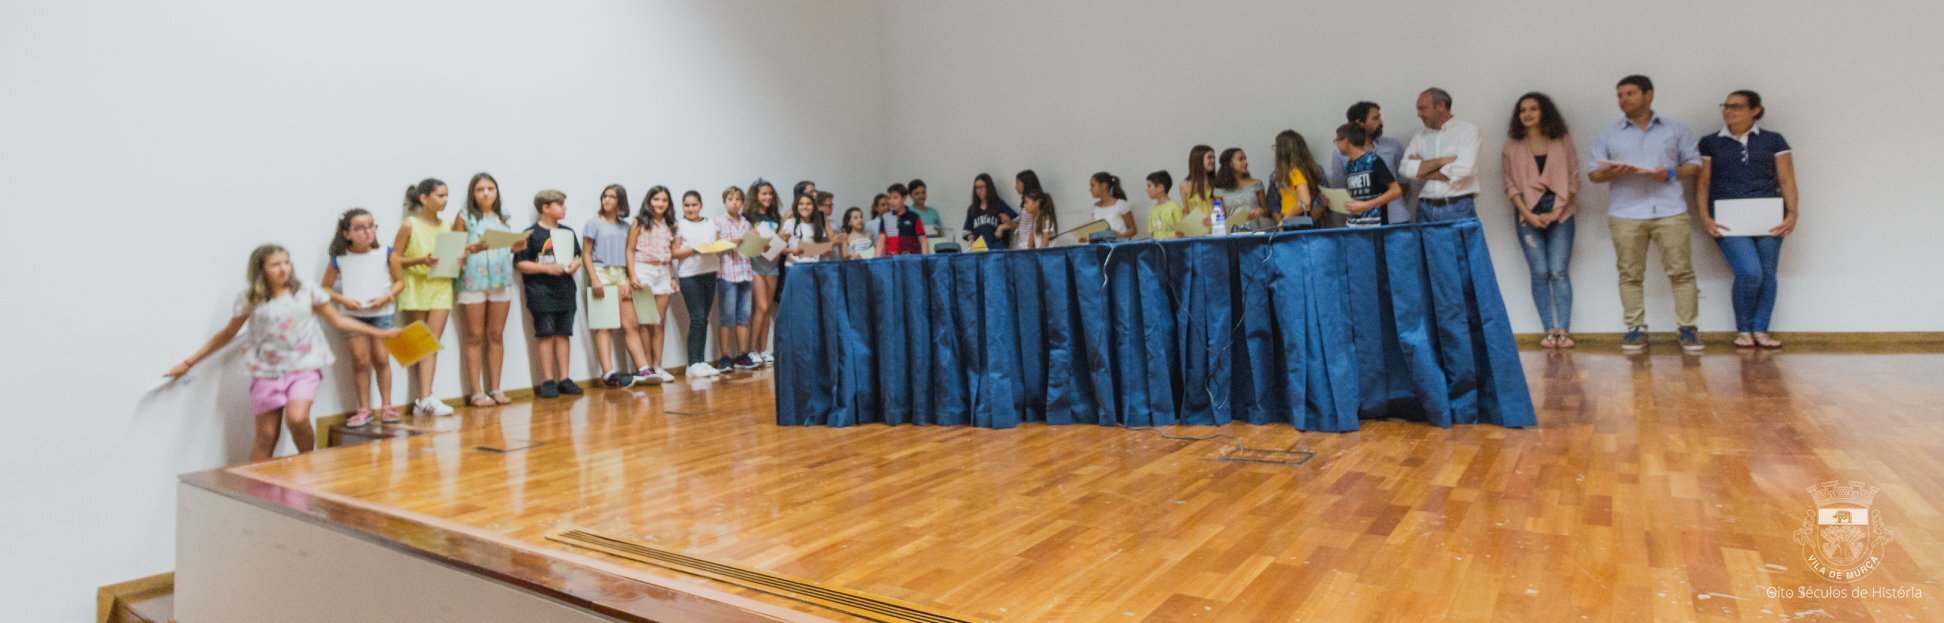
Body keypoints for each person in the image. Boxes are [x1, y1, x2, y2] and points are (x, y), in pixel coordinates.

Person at [167, 244, 401, 461]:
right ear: (261, 269)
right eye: (275, 264)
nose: (283, 269)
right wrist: (189, 363)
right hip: (266, 371)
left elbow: (339, 320)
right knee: (266, 435)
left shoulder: (307, 291)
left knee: (297, 418)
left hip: (303, 368)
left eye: (286, 262)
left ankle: (307, 462)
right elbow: (228, 333)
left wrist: (381, 333)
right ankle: (256, 485)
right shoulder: (250, 299)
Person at [1589, 74, 1704, 352]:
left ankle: (1688, 329)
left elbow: (1695, 164)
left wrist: (1671, 173)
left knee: (1681, 271)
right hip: (1626, 212)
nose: (1623, 100)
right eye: (1619, 95)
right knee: (1629, 274)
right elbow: (1593, 174)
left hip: (1669, 210)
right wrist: (1612, 173)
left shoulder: (1675, 130)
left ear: (1648, 95)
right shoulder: (1608, 135)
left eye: (1630, 93)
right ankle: (1635, 329)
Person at [1697, 89, 1797, 349]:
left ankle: (1760, 330)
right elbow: (1703, 183)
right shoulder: (1710, 142)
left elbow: (1786, 178)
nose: (1729, 111)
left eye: (1737, 106)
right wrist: (1706, 217)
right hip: (1728, 218)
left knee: (1768, 273)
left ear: (1755, 111)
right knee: (1750, 272)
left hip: (1769, 215)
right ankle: (1744, 330)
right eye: (1726, 106)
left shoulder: (1774, 140)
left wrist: (1792, 213)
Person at [1501, 92, 1583, 348]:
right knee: (1539, 272)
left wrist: (1557, 212)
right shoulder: (1511, 146)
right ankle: (1548, 330)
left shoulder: (1562, 140)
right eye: (1522, 110)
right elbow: (1510, 185)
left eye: (1533, 108)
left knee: (1558, 271)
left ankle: (1563, 331)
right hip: (1527, 214)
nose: (1527, 114)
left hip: (1561, 212)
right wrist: (1527, 214)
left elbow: (1573, 178)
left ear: (1544, 111)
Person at [319, 209, 404, 426]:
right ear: (346, 233)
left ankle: (387, 406)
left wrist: (386, 297)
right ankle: (364, 408)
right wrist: (344, 300)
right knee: (360, 360)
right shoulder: (340, 258)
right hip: (352, 315)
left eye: (371, 226)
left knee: (382, 358)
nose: (367, 232)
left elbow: (400, 282)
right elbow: (325, 288)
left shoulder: (386, 252)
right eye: (360, 228)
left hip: (381, 313)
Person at [452, 173, 525, 407]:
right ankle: (476, 391)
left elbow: (506, 248)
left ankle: (495, 388)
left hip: (500, 279)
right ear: (473, 193)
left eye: (490, 188)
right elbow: (453, 251)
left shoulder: (503, 217)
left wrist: (515, 247)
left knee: (496, 334)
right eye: (480, 189)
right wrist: (471, 248)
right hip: (473, 280)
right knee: (474, 335)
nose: (485, 193)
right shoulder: (464, 217)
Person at [390, 178, 456, 417]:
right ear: (424, 198)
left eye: (447, 195)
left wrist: (458, 258)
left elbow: (449, 257)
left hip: (441, 285)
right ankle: (422, 398)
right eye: (440, 195)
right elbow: (394, 258)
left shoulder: (447, 225)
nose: (445, 200)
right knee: (420, 343)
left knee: (432, 342)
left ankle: (426, 397)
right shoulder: (409, 225)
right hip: (416, 286)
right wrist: (421, 260)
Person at [513, 189, 585, 397]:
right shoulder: (529, 234)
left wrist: (575, 264)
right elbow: (521, 263)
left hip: (565, 289)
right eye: (559, 205)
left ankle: (564, 378)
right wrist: (546, 268)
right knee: (545, 334)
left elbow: (578, 256)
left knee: (564, 334)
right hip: (541, 292)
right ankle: (547, 380)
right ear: (545, 208)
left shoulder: (568, 232)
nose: (564, 208)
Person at [583, 184, 644, 388]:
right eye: (604, 196)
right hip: (601, 272)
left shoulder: (626, 227)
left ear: (620, 201)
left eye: (612, 196)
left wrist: (627, 278)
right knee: (604, 325)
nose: (607, 200)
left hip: (621, 274)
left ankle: (643, 368)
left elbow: (629, 254)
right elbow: (586, 254)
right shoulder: (593, 222)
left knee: (631, 324)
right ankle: (608, 373)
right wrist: (594, 278)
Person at [1401, 87, 1482, 222]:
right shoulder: (1419, 137)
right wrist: (1441, 161)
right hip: (1425, 208)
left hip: (1458, 206)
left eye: (1422, 109)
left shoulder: (1468, 131)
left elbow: (1464, 169)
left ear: (1440, 106)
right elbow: (1404, 169)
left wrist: (1422, 170)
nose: (1418, 114)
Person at [625, 185, 678, 385]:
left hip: (663, 271)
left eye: (664, 200)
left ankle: (658, 366)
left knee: (659, 322)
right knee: (646, 321)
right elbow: (629, 250)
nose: (660, 203)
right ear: (649, 201)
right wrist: (632, 275)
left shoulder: (671, 224)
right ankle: (646, 367)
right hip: (643, 269)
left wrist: (672, 277)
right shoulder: (639, 222)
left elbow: (670, 254)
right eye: (656, 199)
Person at [1329, 102, 1409, 224]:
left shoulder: (1390, 147)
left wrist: (1378, 202)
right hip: (1361, 221)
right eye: (1375, 118)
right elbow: (1340, 189)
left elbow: (1401, 184)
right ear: (1359, 123)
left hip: (1395, 217)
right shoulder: (1343, 157)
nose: (1380, 122)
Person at [671, 190, 724, 377]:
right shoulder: (680, 226)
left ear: (700, 205)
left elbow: (718, 245)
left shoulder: (711, 223)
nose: (690, 208)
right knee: (697, 318)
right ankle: (692, 363)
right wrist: (694, 249)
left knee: (704, 319)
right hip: (689, 276)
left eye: (694, 205)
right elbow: (674, 252)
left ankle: (701, 362)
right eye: (686, 205)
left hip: (709, 273)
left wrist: (717, 246)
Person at [715, 186, 757, 372]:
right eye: (730, 199)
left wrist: (757, 242)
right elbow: (715, 246)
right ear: (725, 201)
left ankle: (742, 354)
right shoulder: (718, 222)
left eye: (738, 199)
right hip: (727, 274)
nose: (734, 203)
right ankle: (724, 356)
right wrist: (734, 242)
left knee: (744, 316)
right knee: (727, 316)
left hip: (745, 273)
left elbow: (753, 249)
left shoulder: (746, 223)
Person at [744, 180, 783, 367]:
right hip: (756, 264)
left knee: (767, 308)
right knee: (760, 306)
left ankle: (763, 349)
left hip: (772, 264)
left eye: (770, 194)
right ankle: (752, 349)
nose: (767, 197)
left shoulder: (775, 217)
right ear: (756, 196)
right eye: (764, 194)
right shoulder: (748, 217)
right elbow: (749, 244)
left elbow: (779, 242)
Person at [1333, 124, 1402, 228]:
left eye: (1337, 140)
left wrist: (1367, 205)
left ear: (1346, 141)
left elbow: (1396, 190)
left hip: (1375, 223)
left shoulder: (1373, 160)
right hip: (1353, 223)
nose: (1337, 145)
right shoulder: (1349, 165)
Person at [1265, 130, 1328, 226]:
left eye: (1277, 147)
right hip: (1292, 221)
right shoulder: (1277, 176)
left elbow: (1305, 201)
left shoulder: (1296, 172)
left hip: (1301, 221)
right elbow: (1273, 205)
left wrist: (1284, 222)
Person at [1213, 148, 1270, 230]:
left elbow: (1267, 212)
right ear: (1230, 163)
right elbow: (1221, 216)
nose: (1246, 162)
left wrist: (1261, 211)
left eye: (1245, 158)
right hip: (1232, 231)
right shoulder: (1219, 188)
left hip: (1254, 230)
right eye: (1241, 159)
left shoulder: (1256, 184)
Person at [962, 173, 1016, 249]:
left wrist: (1002, 227)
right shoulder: (972, 209)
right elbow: (966, 231)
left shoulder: (999, 205)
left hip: (997, 248)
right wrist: (970, 239)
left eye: (982, 187)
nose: (979, 191)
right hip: (979, 249)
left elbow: (1017, 221)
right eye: (976, 188)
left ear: (989, 187)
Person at [874, 182, 929, 255]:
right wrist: (876, 260)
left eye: (895, 198)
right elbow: (880, 242)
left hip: (911, 259)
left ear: (904, 198)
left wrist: (925, 258)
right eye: (889, 198)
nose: (891, 201)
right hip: (892, 259)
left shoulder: (914, 217)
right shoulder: (885, 218)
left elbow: (923, 241)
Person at [781, 192, 831, 264]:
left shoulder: (818, 225)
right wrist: (791, 250)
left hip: (814, 265)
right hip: (794, 265)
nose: (804, 207)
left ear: (814, 207)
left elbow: (825, 249)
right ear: (797, 207)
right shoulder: (789, 223)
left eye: (808, 204)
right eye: (801, 204)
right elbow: (779, 249)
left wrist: (825, 251)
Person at [1089, 172, 1135, 239]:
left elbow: (1133, 230)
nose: (1090, 189)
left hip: (1119, 243)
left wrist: (1121, 235)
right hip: (1102, 244)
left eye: (1092, 185)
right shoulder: (1095, 207)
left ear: (1103, 186)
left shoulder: (1120, 204)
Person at [1181, 145, 1216, 225]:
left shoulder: (1216, 182)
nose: (1213, 160)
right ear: (1198, 160)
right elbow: (1186, 212)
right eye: (1209, 157)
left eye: (1214, 157)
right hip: (1196, 229)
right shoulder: (1184, 185)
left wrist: (1215, 218)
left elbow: (1224, 211)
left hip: (1215, 228)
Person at [1146, 171, 1185, 239]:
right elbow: (1153, 233)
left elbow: (1182, 233)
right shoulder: (1152, 210)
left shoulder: (1175, 207)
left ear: (1160, 188)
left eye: (1149, 186)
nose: (1146, 189)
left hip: (1174, 245)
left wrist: (1166, 241)